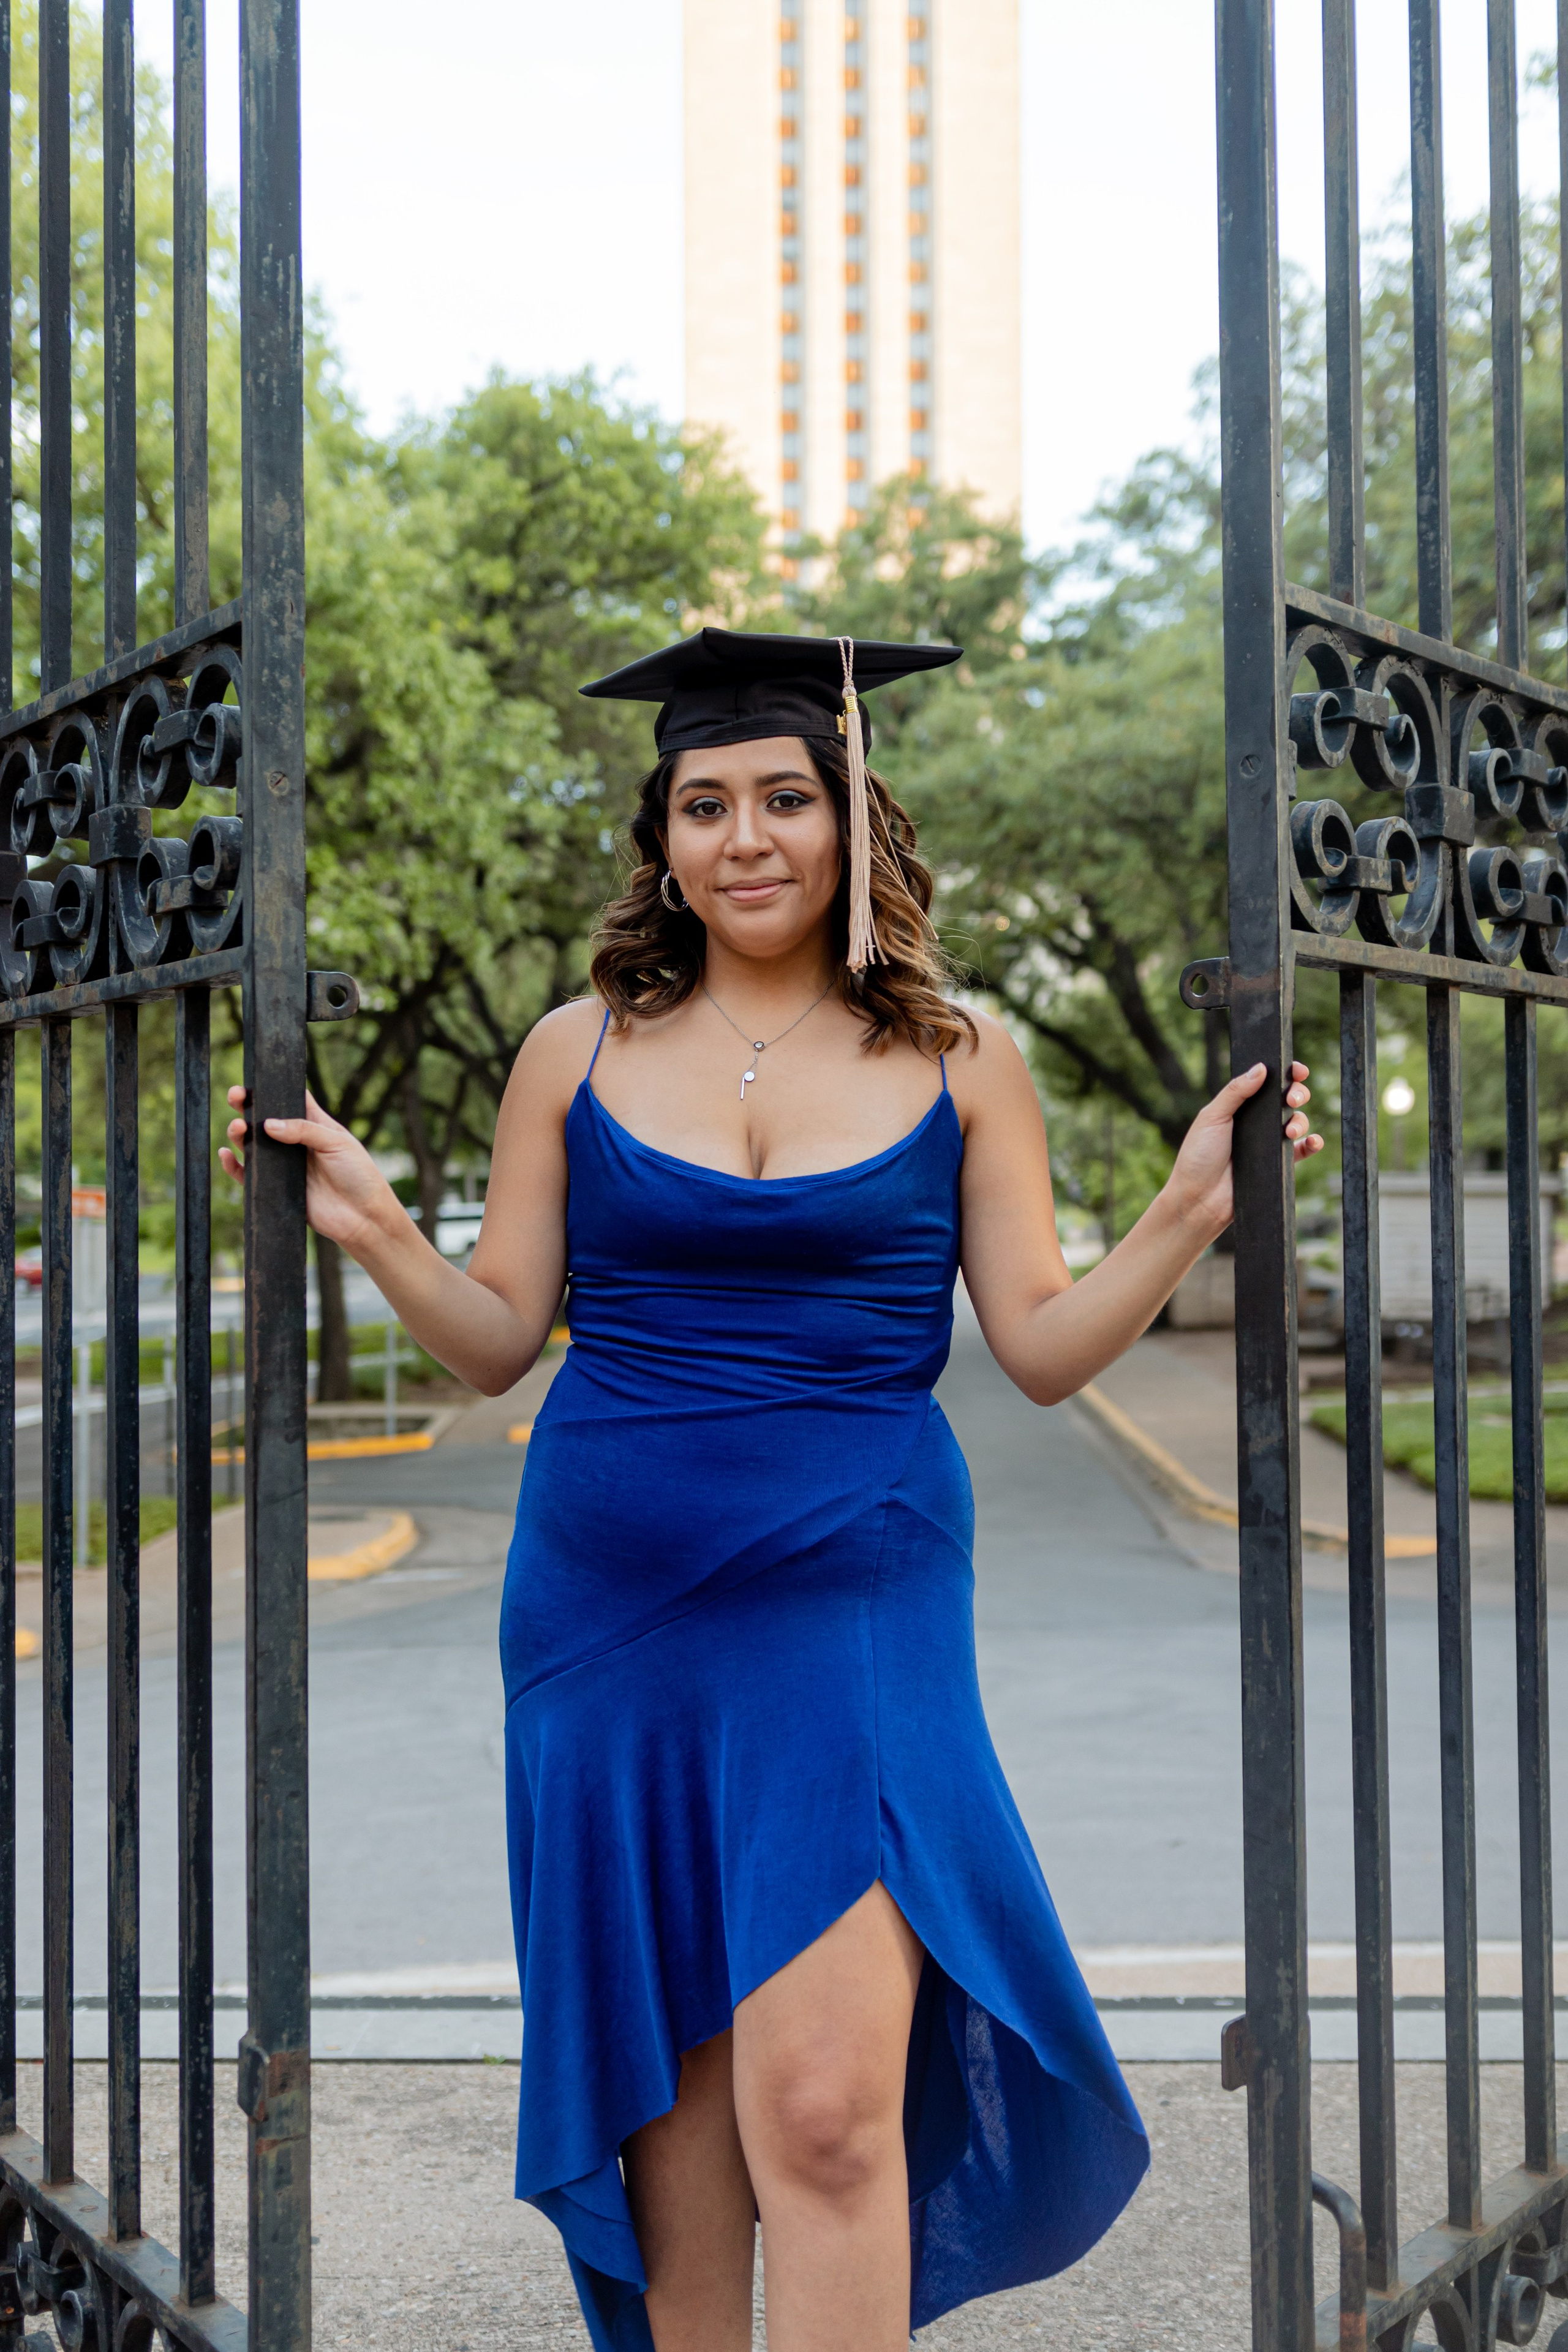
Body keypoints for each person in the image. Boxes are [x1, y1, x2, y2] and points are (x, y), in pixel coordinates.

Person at [222, 628, 1321, 2352]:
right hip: (606, 1623)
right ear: (660, 835)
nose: (749, 838)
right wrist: (367, 1219)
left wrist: (1184, 1213)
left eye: (788, 799)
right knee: (676, 2148)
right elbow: (498, 1337)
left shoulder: (963, 1061)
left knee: (824, 2112)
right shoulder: (569, 1054)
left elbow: (1034, 1347)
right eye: (708, 801)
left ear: (851, 819)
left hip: (853, 1600)